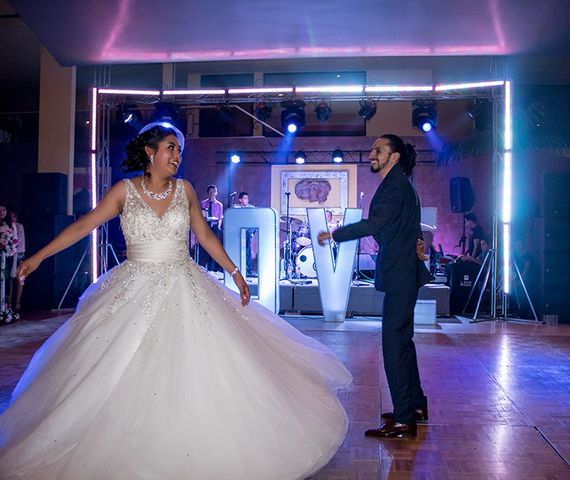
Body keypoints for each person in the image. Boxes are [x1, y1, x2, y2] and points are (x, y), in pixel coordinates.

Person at [0, 124, 351, 479]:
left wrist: (235, 272)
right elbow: (83, 226)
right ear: (150, 153)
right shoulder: (124, 192)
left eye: (180, 150)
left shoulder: (185, 191)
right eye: (171, 148)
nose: (177, 156)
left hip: (185, 283)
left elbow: (205, 235)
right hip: (133, 285)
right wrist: (39, 256)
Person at [318, 134, 430, 439]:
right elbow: (406, 224)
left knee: (394, 345)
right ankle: (415, 406)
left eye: (377, 150)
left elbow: (374, 224)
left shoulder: (395, 185)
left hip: (400, 273)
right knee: (403, 342)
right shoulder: (400, 183)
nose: (371, 154)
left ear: (393, 156)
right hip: (404, 271)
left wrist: (334, 234)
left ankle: (405, 419)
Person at [199, 184, 224, 272]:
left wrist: (219, 226)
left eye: (213, 192)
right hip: (206, 226)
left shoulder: (219, 205)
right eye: (210, 192)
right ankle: (202, 266)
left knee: (217, 238)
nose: (212, 193)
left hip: (214, 226)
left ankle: (213, 267)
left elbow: (220, 218)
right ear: (208, 193)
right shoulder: (203, 203)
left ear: (216, 193)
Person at [233, 191, 256, 276]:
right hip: (237, 232)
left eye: (247, 198)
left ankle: (248, 270)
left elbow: (255, 221)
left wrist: (252, 232)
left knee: (247, 251)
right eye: (245, 198)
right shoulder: (236, 208)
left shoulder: (251, 208)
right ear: (240, 200)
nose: (247, 200)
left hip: (247, 232)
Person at [8, 211, 26, 312]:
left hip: (19, 254)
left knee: (20, 278)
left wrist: (18, 254)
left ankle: (18, 302)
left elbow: (21, 242)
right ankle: (9, 301)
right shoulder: (6, 226)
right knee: (10, 279)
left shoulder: (19, 227)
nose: (13, 219)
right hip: (9, 255)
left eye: (14, 216)